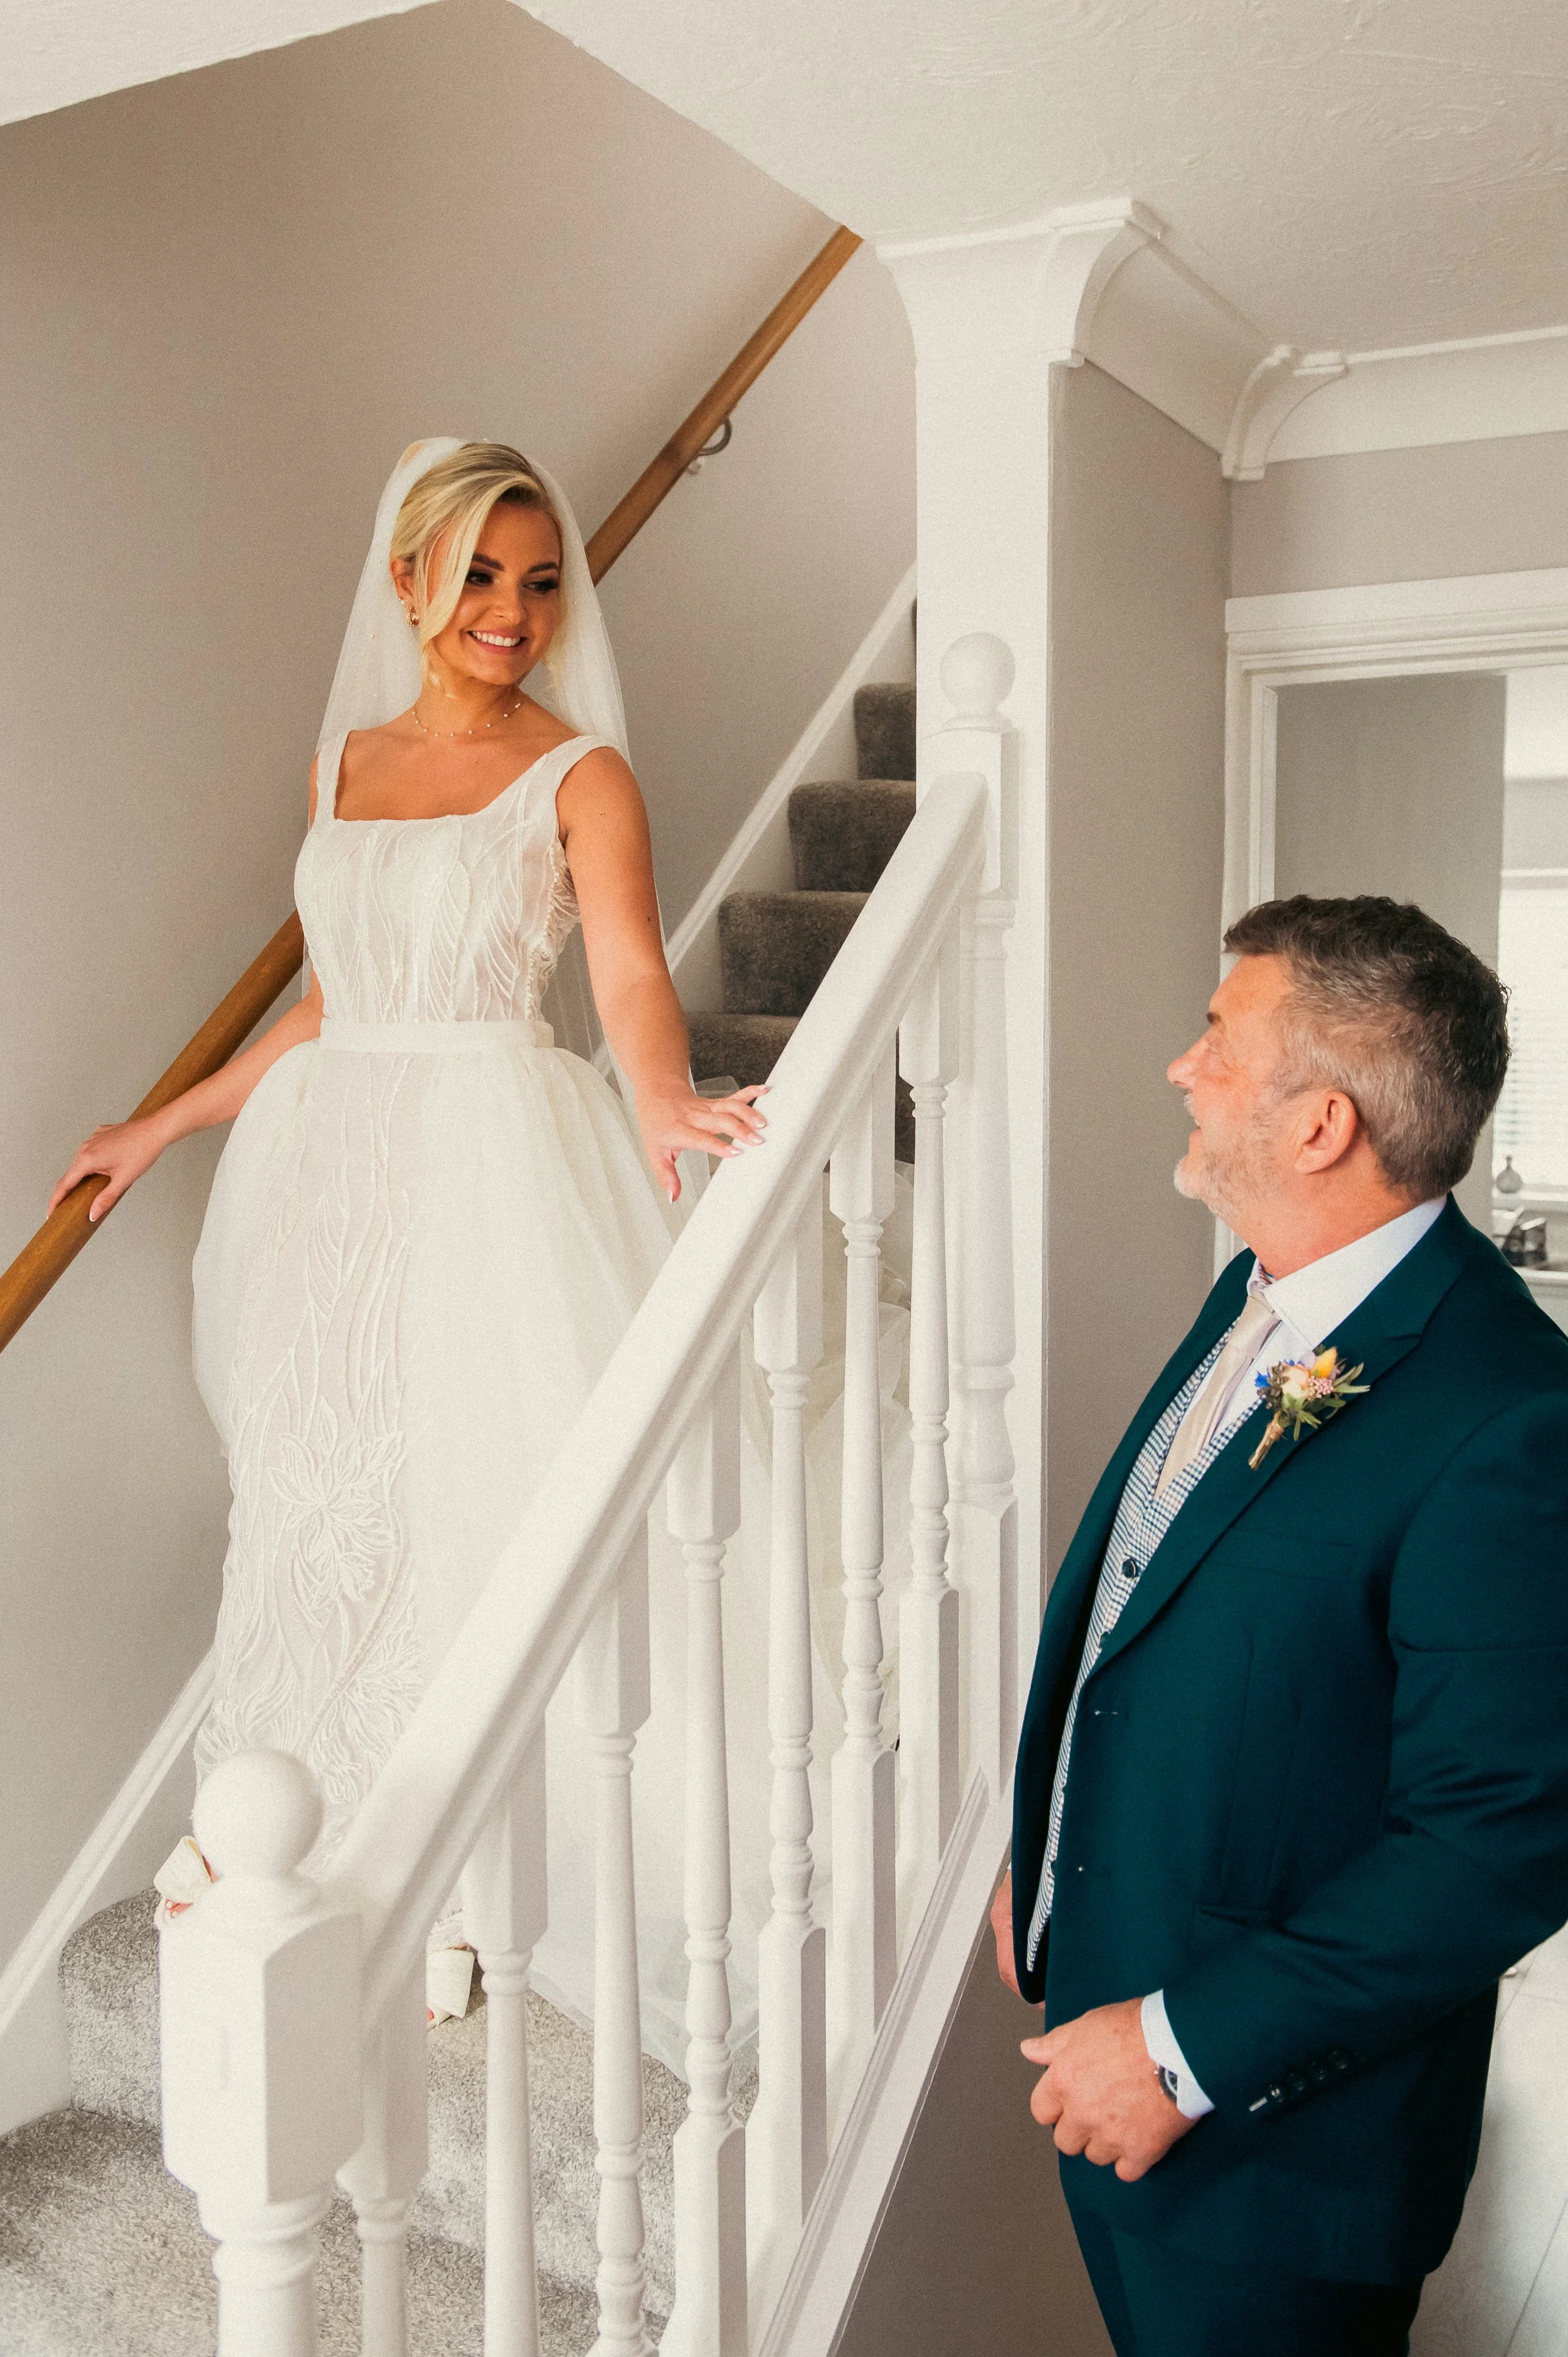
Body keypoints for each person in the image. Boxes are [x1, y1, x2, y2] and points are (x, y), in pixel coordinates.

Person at [49, 439, 767, 2004]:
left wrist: (657, 1099)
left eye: (535, 580)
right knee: (309, 1491)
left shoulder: (580, 772)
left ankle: (448, 1868)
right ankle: (267, 1822)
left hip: (486, 1154)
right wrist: (165, 1123)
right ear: (406, 582)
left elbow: (631, 973)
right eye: (475, 578)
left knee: (463, 1498)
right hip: (327, 1169)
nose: (509, 611)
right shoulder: (344, 766)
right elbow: (328, 1004)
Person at [992, 895, 1568, 2356]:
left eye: (1215, 1038)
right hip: (1111, 2035)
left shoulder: (1510, 1414)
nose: (1182, 1069)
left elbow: (1494, 1841)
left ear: (1320, 1124)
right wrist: (1044, 1846)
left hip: (1269, 2146)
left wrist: (1179, 2059)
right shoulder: (1261, 1299)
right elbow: (1153, 1619)